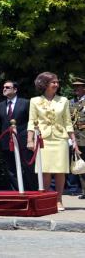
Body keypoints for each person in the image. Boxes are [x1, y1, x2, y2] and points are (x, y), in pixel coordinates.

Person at [27, 72, 77, 211]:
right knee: (45, 171)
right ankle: (45, 199)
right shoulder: (34, 101)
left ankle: (59, 200)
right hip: (43, 139)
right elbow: (32, 121)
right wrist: (29, 139)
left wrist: (74, 141)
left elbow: (68, 122)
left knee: (60, 170)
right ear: (44, 84)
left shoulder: (64, 100)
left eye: (57, 82)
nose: (56, 84)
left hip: (60, 138)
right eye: (53, 82)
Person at [0, 81, 31, 191]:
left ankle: (30, 190)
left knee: (26, 167)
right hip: (7, 141)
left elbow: (31, 121)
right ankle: (17, 191)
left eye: (7, 87)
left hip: (23, 140)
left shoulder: (25, 103)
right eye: (3, 87)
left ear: (15, 90)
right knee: (11, 169)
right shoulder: (0, 105)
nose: (4, 89)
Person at [71, 78, 85, 198]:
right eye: (74, 87)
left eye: (78, 87)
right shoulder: (72, 102)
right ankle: (84, 191)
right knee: (81, 165)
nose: (75, 89)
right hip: (77, 138)